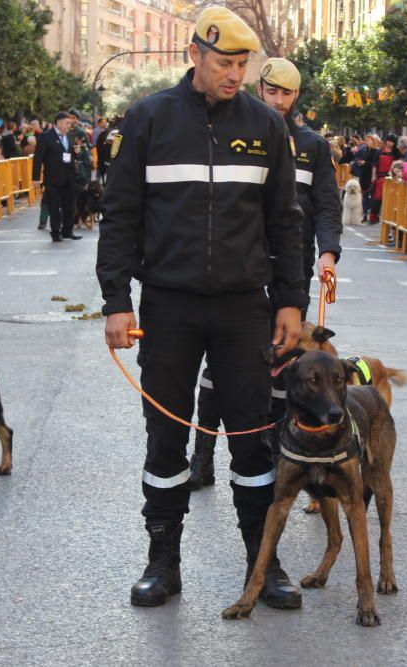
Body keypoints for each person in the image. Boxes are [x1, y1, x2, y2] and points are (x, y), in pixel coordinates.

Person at [96, 7, 307, 610]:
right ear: (195, 55)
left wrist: (291, 301)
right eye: (224, 63)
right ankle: (162, 563)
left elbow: (284, 222)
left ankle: (262, 568)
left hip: (246, 308)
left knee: (252, 440)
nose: (235, 75)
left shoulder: (267, 125)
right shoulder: (149, 119)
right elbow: (121, 215)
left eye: (243, 65)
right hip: (168, 304)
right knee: (166, 437)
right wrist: (116, 300)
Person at [188, 57, 343, 490]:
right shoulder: (237, 134)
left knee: (286, 372)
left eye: (287, 94)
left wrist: (328, 253)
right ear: (261, 89)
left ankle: (278, 461)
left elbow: (328, 205)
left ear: (297, 97)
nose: (278, 101)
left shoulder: (313, 146)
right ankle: (202, 458)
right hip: (241, 275)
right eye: (272, 91)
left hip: (289, 280)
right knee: (218, 371)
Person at [32, 111, 80, 242]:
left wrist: (77, 152)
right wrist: (35, 178)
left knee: (69, 206)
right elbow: (38, 158)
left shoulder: (70, 136)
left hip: (69, 177)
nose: (69, 126)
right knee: (54, 207)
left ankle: (68, 231)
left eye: (70, 123)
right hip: (53, 178)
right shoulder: (46, 137)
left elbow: (70, 155)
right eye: (67, 123)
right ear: (58, 122)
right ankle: (56, 232)